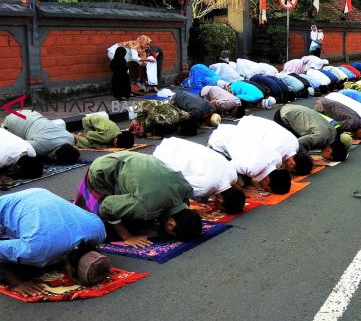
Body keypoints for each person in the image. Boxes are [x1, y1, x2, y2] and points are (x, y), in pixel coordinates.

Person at [74, 152, 202, 247]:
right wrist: (127, 237)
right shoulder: (145, 208)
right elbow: (107, 207)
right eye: (171, 234)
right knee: (102, 228)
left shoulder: (187, 190)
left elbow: (185, 203)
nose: (168, 234)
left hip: (133, 159)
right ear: (171, 224)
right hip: (103, 170)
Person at [0, 188, 111, 296]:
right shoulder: (35, 251)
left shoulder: (99, 231)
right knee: (26, 266)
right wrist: (17, 282)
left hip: (40, 194)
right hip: (7, 204)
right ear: (71, 270)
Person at [153, 137, 246, 214]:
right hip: (164, 156)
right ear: (220, 200)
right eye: (221, 209)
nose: (218, 209)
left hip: (177, 143)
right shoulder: (205, 188)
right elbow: (177, 182)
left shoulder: (233, 175)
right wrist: (186, 209)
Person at [208, 124, 293, 193]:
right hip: (218, 140)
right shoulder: (252, 166)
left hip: (231, 129)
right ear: (267, 180)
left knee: (246, 181)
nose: (263, 189)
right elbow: (226, 169)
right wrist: (242, 192)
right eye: (266, 189)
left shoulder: (277, 159)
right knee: (226, 184)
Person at [273, 104, 349, 161]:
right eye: (329, 158)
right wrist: (310, 160)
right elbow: (298, 143)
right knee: (292, 145)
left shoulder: (333, 133)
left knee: (306, 144)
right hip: (283, 115)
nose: (327, 160)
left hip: (292, 108)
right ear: (329, 151)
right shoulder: (321, 137)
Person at [2, 110, 79, 164]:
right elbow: (19, 146)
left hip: (30, 113)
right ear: (55, 157)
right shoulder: (41, 147)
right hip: (12, 121)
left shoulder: (70, 138)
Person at [128, 100, 198, 138]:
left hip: (160, 105)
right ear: (180, 128)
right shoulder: (170, 120)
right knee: (139, 128)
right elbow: (152, 117)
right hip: (144, 107)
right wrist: (147, 132)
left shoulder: (186, 116)